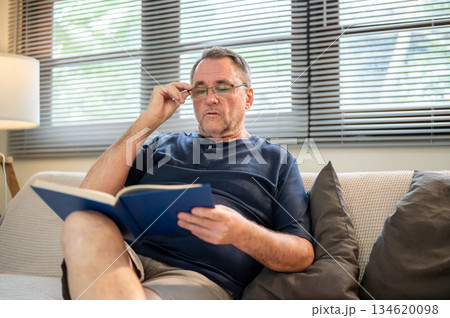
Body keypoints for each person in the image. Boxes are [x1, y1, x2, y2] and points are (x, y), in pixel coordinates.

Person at [61, 46, 314, 300]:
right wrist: (149, 120)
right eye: (200, 89)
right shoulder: (161, 144)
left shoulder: (276, 160)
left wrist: (243, 232)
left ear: (248, 97)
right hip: (125, 258)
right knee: (80, 221)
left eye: (223, 87)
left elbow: (302, 253)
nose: (210, 98)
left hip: (195, 277)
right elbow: (88, 198)